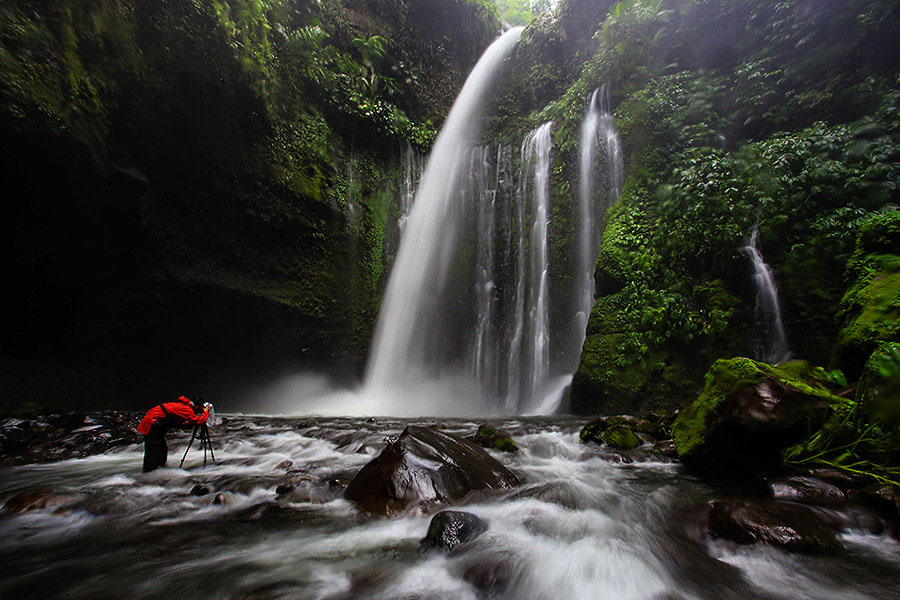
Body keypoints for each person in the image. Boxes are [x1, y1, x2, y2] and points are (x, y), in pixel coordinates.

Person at [137, 395, 210, 473]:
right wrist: (206, 413)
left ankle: (158, 471)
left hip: (153, 427)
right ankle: (149, 473)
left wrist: (190, 425)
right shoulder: (186, 409)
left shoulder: (182, 407)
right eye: (200, 408)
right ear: (197, 406)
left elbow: (178, 423)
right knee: (153, 451)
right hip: (151, 426)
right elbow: (198, 421)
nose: (200, 411)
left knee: (162, 450)